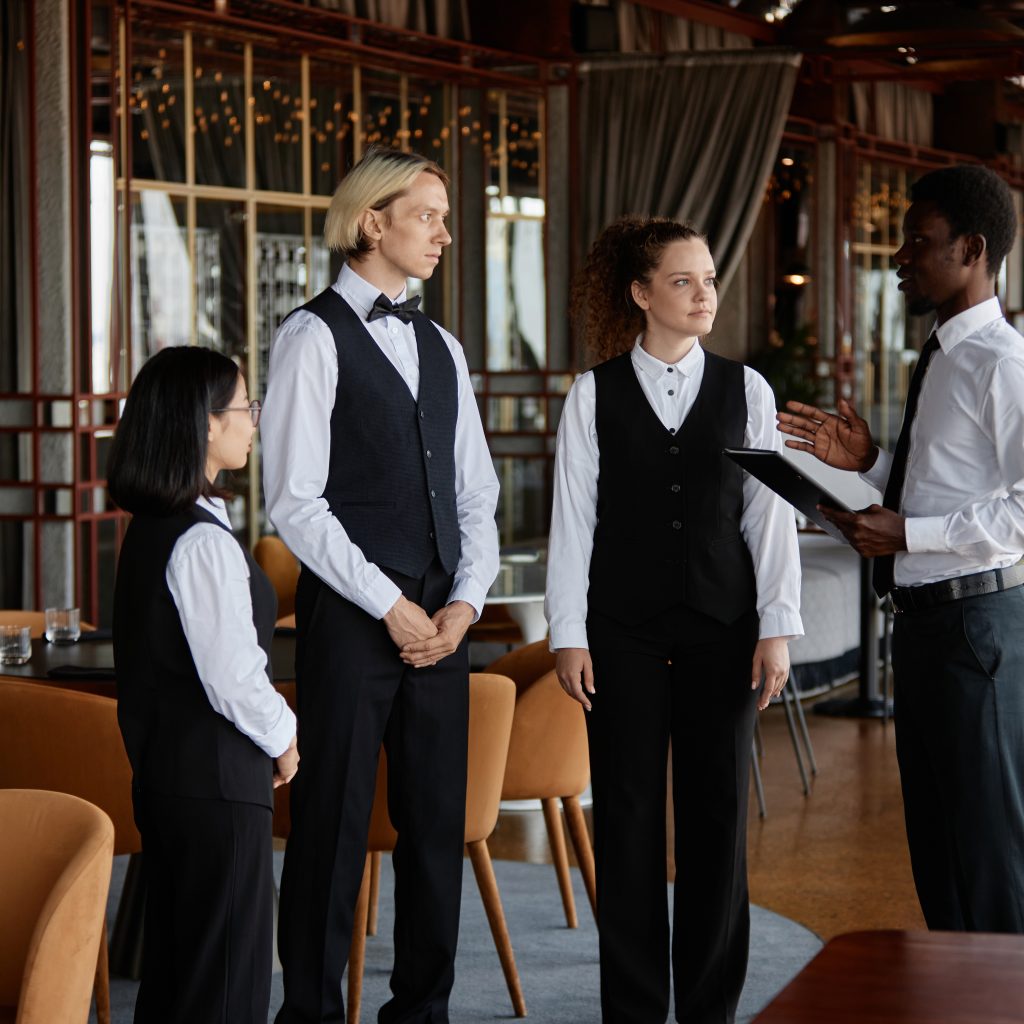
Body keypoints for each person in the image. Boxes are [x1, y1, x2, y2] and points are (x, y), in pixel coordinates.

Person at [262, 146, 500, 1024]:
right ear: (373, 222)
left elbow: (477, 492)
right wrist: (390, 605)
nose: (443, 231)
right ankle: (314, 1015)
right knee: (329, 829)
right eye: (428, 214)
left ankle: (421, 1012)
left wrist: (464, 602)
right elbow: (295, 501)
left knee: (434, 832)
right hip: (359, 620)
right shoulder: (310, 335)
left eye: (443, 216)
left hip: (443, 620)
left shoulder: (443, 345)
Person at [546, 217, 803, 1024]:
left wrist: (777, 627)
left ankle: (708, 1009)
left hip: (724, 623)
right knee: (623, 817)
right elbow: (572, 522)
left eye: (711, 280)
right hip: (619, 628)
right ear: (642, 293)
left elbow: (770, 519)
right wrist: (569, 635)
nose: (704, 296)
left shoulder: (746, 390)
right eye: (685, 281)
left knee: (717, 816)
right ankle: (631, 1009)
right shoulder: (593, 395)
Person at [777, 164, 1024, 934]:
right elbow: (956, 486)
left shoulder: (1002, 363)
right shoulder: (943, 354)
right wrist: (872, 467)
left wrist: (907, 533)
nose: (900, 258)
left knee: (989, 854)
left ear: (973, 250)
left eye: (920, 242)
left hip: (976, 631)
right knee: (939, 847)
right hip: (923, 629)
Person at [108, 345, 299, 1024]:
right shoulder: (201, 541)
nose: (254, 420)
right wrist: (286, 737)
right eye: (245, 407)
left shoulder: (153, 530)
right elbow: (233, 677)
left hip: (169, 777)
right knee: (224, 983)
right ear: (204, 426)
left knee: (181, 974)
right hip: (217, 785)